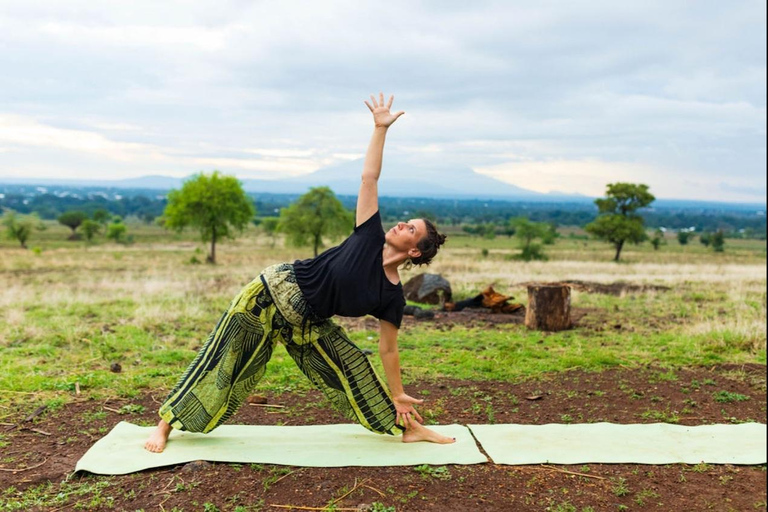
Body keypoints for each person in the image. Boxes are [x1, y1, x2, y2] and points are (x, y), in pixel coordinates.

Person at [144, 93, 453, 453]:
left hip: (308, 323)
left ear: (414, 251)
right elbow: (370, 177)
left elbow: (388, 349)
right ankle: (164, 424)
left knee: (353, 367)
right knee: (225, 360)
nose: (401, 223)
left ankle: (408, 428)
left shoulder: (391, 296)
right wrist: (380, 129)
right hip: (269, 296)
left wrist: (398, 392)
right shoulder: (369, 234)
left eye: (410, 229)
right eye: (405, 222)